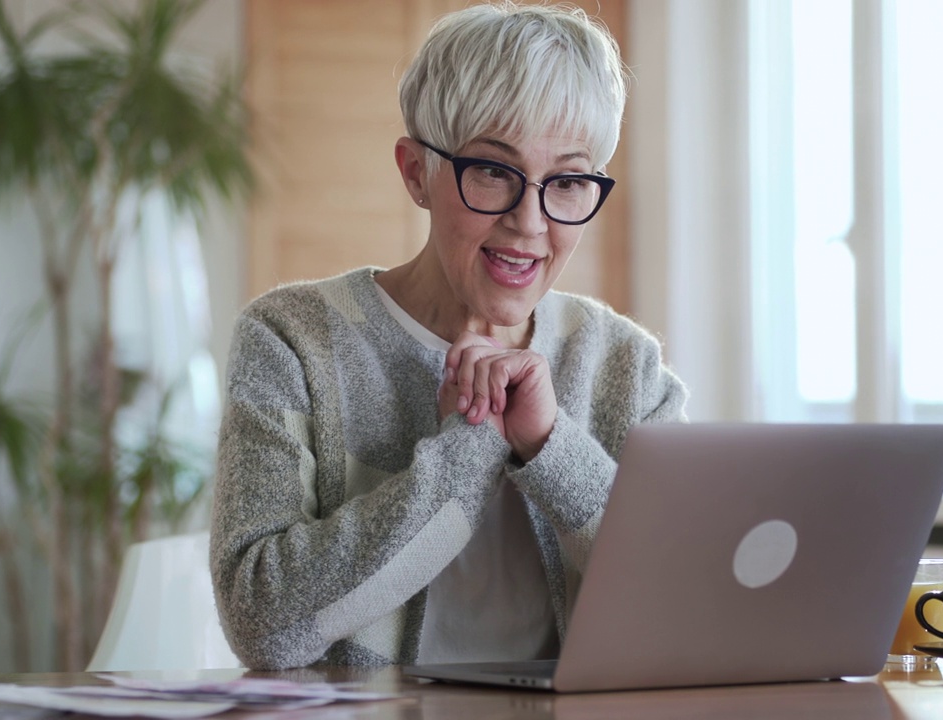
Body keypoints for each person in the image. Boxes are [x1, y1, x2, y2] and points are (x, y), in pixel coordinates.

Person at [210, 1, 688, 670]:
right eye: (494, 171)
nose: (530, 222)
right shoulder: (292, 340)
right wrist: (464, 453)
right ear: (416, 173)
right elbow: (262, 625)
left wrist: (551, 445)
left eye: (569, 181)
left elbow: (688, 601)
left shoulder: (625, 367)